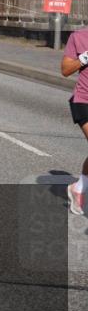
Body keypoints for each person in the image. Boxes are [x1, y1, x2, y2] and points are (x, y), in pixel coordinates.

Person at [61, 25, 88, 216]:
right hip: (84, 101)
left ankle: (78, 187)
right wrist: (85, 57)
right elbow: (65, 70)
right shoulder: (79, 37)